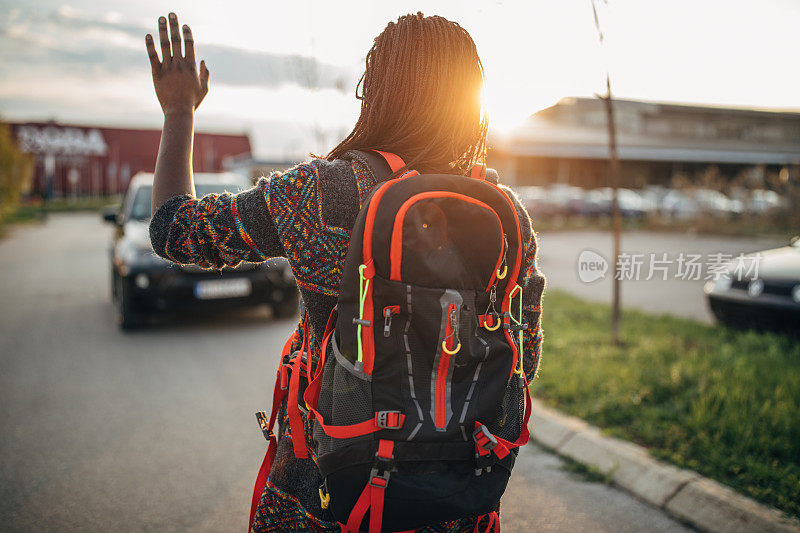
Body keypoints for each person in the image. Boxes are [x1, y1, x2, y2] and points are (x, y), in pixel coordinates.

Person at [145, 11, 544, 532]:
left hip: (326, 501)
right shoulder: (505, 218)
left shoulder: (320, 193)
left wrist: (179, 112)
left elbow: (175, 231)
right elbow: (524, 361)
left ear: (375, 91)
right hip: (456, 502)